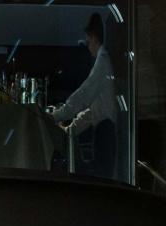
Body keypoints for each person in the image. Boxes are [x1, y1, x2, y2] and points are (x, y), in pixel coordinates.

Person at [48, 14, 119, 180]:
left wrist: (57, 116)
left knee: (102, 179)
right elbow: (92, 110)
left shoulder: (103, 61)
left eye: (88, 42)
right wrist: (70, 129)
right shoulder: (104, 62)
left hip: (104, 131)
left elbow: (84, 95)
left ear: (94, 37)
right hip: (103, 130)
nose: (88, 47)